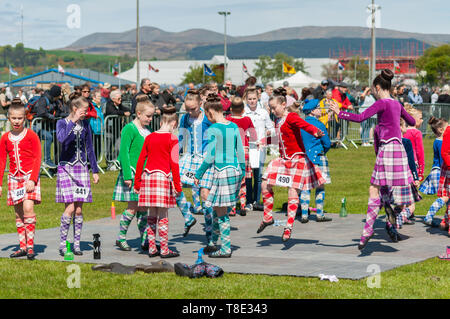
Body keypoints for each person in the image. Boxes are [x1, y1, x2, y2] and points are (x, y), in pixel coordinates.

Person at [329, 69, 417, 250]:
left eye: (373, 90)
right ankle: (391, 226)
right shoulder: (396, 103)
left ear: (377, 87)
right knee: (385, 189)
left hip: (386, 148)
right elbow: (412, 122)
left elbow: (361, 117)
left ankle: (367, 231)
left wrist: (340, 113)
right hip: (399, 148)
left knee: (374, 188)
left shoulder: (382, 103)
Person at [256, 88, 325, 242]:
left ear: (283, 104)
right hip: (283, 159)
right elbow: (280, 139)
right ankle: (268, 217)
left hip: (297, 160)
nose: (272, 111)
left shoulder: (291, 117)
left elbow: (303, 124)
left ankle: (288, 227)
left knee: (293, 191)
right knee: (265, 183)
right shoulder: (278, 121)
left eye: (274, 107)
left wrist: (315, 131)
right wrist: (263, 141)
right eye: (271, 108)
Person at [194, 94, 245, 258]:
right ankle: (214, 241)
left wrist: (199, 173)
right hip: (235, 170)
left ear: (210, 112)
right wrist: (243, 171)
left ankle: (225, 248)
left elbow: (211, 155)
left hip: (222, 171)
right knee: (217, 208)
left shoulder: (213, 129)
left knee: (221, 213)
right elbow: (240, 151)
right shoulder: (234, 126)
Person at [134, 106, 182, 258]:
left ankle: (152, 248)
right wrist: (178, 185)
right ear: (174, 123)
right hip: (163, 177)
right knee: (163, 214)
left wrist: (137, 182)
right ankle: (165, 249)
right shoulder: (172, 139)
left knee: (151, 214)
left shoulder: (149, 137)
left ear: (161, 121)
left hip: (148, 177)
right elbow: (174, 164)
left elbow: (141, 160)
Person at [56, 92, 100, 256]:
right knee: (70, 208)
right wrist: (73, 121)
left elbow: (90, 148)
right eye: (83, 110)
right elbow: (62, 140)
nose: (86, 113)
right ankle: (63, 244)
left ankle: (76, 244)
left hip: (82, 169)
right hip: (66, 168)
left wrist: (94, 170)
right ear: (74, 109)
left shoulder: (86, 125)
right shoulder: (62, 122)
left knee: (79, 210)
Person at [0, 100, 41, 260]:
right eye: (14, 118)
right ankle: (22, 247)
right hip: (14, 178)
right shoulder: (5, 138)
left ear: (25, 118)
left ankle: (30, 246)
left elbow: (38, 157)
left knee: (28, 208)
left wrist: (33, 179)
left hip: (29, 176)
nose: (17, 121)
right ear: (9, 119)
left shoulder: (31, 135)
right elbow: (2, 161)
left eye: (20, 118)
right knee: (18, 214)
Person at [113, 95, 156, 251]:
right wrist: (127, 175)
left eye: (152, 116)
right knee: (132, 207)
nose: (150, 119)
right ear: (138, 113)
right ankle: (121, 237)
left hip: (144, 173)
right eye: (148, 116)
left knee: (143, 208)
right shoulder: (129, 129)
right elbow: (123, 152)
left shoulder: (147, 130)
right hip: (132, 173)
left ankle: (144, 238)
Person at [178, 89, 216, 251]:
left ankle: (211, 233)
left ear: (200, 104)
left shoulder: (207, 117)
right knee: (173, 185)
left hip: (206, 158)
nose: (190, 112)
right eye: (187, 109)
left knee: (205, 195)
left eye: (193, 109)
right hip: (190, 157)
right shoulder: (185, 118)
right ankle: (188, 217)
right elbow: (181, 138)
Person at [298, 99, 332, 223]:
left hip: (304, 159)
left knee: (305, 186)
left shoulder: (300, 124)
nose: (320, 110)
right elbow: (327, 143)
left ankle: (304, 215)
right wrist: (324, 151)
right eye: (318, 108)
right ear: (312, 111)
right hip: (319, 157)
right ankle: (319, 214)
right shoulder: (319, 124)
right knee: (320, 186)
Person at [243, 87, 275, 211]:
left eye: (254, 99)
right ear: (246, 99)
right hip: (247, 147)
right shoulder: (243, 112)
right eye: (249, 99)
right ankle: (248, 201)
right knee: (248, 176)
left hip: (259, 147)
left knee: (258, 175)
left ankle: (257, 200)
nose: (252, 101)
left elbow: (271, 128)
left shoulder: (263, 112)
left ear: (258, 98)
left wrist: (267, 133)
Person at [226, 97, 257, 216]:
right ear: (243, 109)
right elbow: (254, 136)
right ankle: (243, 204)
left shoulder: (228, 119)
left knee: (231, 180)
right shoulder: (247, 119)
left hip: (231, 152)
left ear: (231, 109)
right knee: (243, 180)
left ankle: (233, 207)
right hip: (244, 151)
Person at [422, 117, 449, 227]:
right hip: (440, 171)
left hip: (435, 170)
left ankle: (446, 221)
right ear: (441, 129)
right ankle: (429, 215)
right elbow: (445, 158)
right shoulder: (442, 142)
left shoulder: (436, 141)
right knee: (445, 196)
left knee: (447, 198)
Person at [33, 85, 61, 169]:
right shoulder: (43, 100)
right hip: (34, 125)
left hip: (42, 126)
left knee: (49, 137)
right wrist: (50, 116)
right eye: (58, 95)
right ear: (55, 95)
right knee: (48, 137)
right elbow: (41, 112)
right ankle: (46, 160)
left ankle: (46, 161)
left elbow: (57, 113)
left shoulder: (52, 101)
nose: (59, 97)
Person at [403, 104, 425, 182]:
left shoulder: (403, 131)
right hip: (414, 163)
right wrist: (421, 171)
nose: (422, 120)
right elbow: (420, 152)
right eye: (420, 118)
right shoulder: (416, 133)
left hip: (403, 162)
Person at [89, 90, 105, 161]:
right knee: (93, 148)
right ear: (94, 98)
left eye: (100, 96)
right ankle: (90, 164)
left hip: (100, 130)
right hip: (93, 130)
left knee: (99, 148)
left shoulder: (100, 107)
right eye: (98, 96)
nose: (100, 98)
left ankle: (96, 162)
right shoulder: (91, 105)